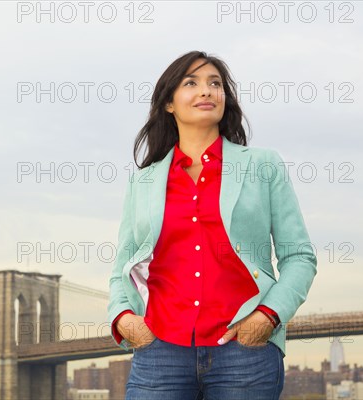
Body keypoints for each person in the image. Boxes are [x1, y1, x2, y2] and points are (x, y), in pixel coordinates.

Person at [107, 50, 317, 400]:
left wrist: (267, 316)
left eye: (215, 84)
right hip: (158, 351)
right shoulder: (142, 182)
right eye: (191, 83)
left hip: (245, 353)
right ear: (169, 104)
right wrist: (124, 318)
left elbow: (299, 256)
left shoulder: (263, 166)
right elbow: (122, 266)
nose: (206, 91)